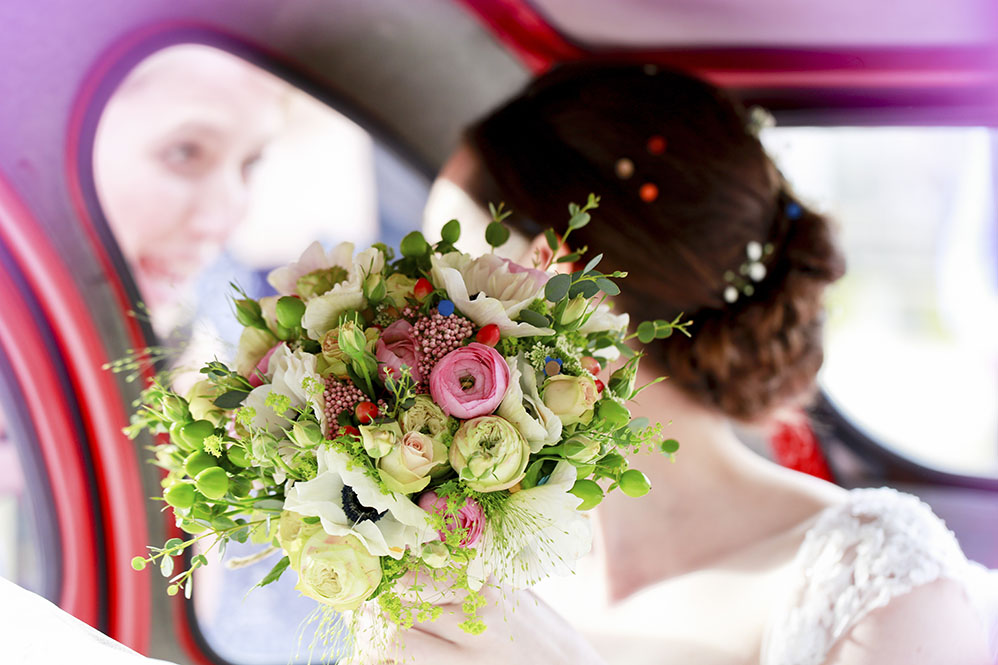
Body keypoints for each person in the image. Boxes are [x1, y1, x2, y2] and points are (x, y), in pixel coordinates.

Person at [415, 62, 997, 665]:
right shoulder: (466, 562)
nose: (418, 326)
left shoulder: (881, 591)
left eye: (452, 289)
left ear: (574, 292)